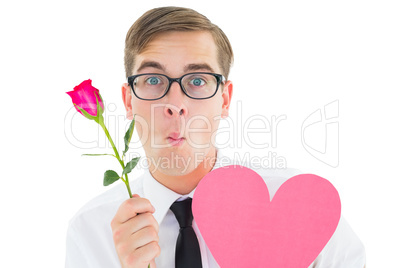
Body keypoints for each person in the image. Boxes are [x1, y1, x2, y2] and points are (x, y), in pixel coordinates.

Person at [65, 6, 366, 268]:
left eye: (197, 80)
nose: (176, 104)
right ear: (129, 101)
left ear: (224, 100)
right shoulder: (91, 231)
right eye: (153, 80)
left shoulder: (302, 209)